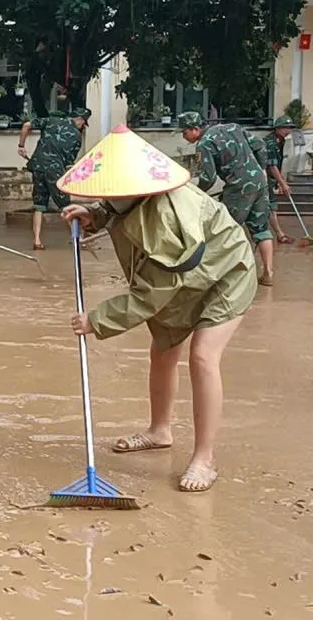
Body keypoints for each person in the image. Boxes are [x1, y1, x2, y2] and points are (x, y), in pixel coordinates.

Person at [58, 125, 256, 493]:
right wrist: (94, 214)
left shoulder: (166, 220)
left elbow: (152, 294)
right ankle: (159, 430)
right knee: (162, 352)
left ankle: (204, 458)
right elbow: (122, 207)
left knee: (202, 357)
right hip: (180, 280)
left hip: (224, 274)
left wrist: (97, 320)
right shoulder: (133, 193)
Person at [178, 111, 276, 285]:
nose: (183, 137)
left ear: (195, 129)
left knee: (225, 229)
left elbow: (208, 178)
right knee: (261, 229)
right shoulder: (233, 127)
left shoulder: (204, 144)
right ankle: (268, 273)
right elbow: (260, 145)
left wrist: (193, 193)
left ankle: (226, 275)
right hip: (260, 182)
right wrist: (261, 169)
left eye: (184, 132)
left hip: (239, 188)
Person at [17, 108, 91, 250]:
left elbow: (26, 125)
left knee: (39, 205)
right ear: (81, 120)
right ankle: (80, 240)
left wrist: (21, 146)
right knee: (67, 207)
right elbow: (69, 163)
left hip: (38, 167)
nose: (82, 127)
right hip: (55, 171)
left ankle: (37, 241)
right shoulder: (76, 137)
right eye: (83, 124)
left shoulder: (51, 120)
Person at [265, 116, 296, 245]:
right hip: (259, 177)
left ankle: (279, 234)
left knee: (271, 207)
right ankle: (279, 235)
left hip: (268, 178)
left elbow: (276, 165)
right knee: (271, 206)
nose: (288, 130)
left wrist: (280, 181)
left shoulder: (280, 141)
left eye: (289, 128)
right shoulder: (270, 142)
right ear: (277, 128)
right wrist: (283, 184)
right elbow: (271, 165)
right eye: (285, 127)